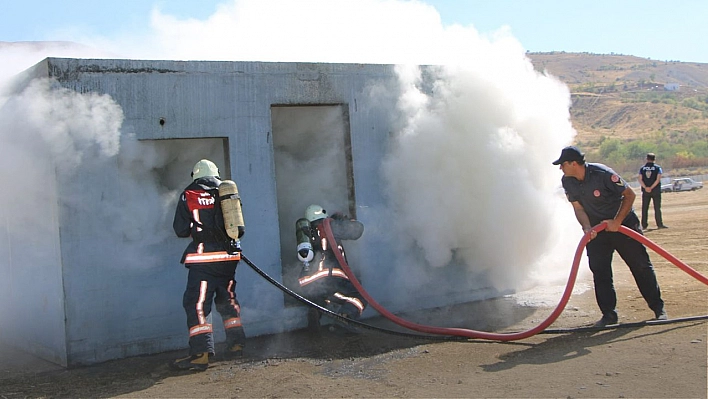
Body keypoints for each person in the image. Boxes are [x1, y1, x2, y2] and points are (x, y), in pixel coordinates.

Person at [553, 146, 667, 327]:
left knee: (640, 266)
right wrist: (587, 227)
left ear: (574, 163)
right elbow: (578, 208)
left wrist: (617, 221)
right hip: (597, 230)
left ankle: (658, 309)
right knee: (600, 271)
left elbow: (629, 195)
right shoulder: (568, 181)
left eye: (563, 164)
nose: (561, 168)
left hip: (624, 224)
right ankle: (609, 315)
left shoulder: (602, 174)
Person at [171, 159, 246, 371]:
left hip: (204, 261)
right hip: (229, 259)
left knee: (197, 304)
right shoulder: (226, 193)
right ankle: (236, 344)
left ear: (195, 175)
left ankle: (200, 354)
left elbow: (181, 230)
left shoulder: (189, 194)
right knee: (227, 299)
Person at [294, 204, 368, 333]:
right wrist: (343, 221)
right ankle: (345, 318)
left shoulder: (307, 231)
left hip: (308, 281)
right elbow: (357, 230)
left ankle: (316, 309)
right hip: (329, 276)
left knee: (325, 295)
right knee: (360, 297)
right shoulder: (329, 226)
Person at [638, 153, 667, 229]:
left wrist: (646, 187)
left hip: (645, 191)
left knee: (645, 208)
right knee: (657, 208)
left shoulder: (642, 168)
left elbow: (640, 179)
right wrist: (651, 187)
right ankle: (659, 224)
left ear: (647, 159)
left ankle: (644, 225)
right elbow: (658, 179)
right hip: (656, 190)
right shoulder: (658, 168)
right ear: (654, 159)